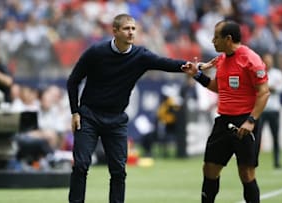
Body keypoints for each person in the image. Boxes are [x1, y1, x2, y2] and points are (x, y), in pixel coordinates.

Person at [66, 14, 189, 203]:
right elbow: (73, 81)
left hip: (116, 120)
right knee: (81, 165)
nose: (131, 32)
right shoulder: (96, 52)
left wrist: (189, 66)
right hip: (89, 116)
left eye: (133, 28)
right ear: (114, 31)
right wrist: (75, 111)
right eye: (126, 28)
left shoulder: (140, 56)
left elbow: (165, 63)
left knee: (118, 171)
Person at [181, 20, 270, 203]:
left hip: (245, 122)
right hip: (223, 121)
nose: (213, 41)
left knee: (246, 173)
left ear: (228, 39)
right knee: (209, 168)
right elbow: (218, 87)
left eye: (216, 37)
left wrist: (251, 121)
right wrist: (197, 75)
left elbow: (264, 92)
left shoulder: (251, 60)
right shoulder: (221, 59)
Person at [258, 53, 282, 169]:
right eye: (266, 60)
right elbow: (257, 88)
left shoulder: (277, 73)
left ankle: (277, 161)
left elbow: (280, 88)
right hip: (261, 109)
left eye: (269, 60)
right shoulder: (259, 73)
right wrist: (269, 88)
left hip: (274, 110)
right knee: (257, 137)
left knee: (275, 137)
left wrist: (266, 88)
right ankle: (253, 160)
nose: (268, 62)